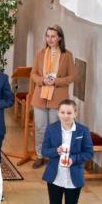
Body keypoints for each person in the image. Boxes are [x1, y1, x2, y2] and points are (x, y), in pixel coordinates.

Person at [41, 99, 93, 204]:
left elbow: (88, 152)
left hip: (73, 177)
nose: (65, 115)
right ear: (58, 113)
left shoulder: (83, 131)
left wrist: (73, 159)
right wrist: (56, 151)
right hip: (55, 177)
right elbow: (44, 150)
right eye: (62, 112)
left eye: (69, 113)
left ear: (75, 113)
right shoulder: (52, 129)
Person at [29, 25, 76, 169]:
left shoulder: (67, 55)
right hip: (40, 96)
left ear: (60, 38)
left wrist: (57, 81)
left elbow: (72, 76)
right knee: (40, 128)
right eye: (47, 36)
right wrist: (42, 80)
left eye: (53, 36)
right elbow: (33, 73)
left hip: (58, 98)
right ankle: (40, 155)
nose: (50, 39)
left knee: (55, 129)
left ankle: (53, 157)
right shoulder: (40, 53)